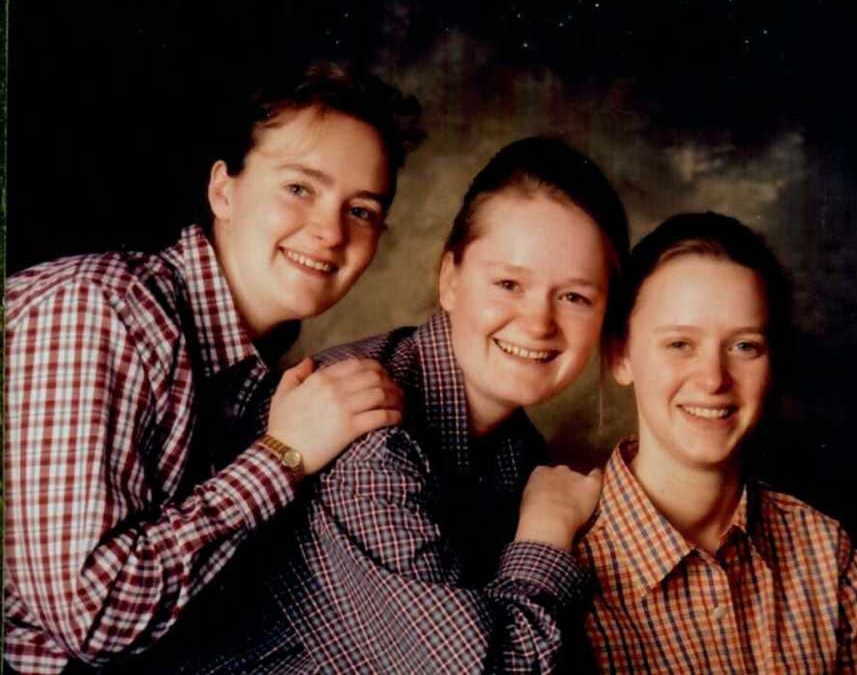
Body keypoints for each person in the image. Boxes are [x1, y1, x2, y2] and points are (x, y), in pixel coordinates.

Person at [148, 136, 630, 674]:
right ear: (450, 280)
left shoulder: (514, 448)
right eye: (508, 283)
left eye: (575, 297)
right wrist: (546, 532)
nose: (539, 322)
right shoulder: (367, 439)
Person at [4, 61, 423, 675]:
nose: (330, 232)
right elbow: (92, 616)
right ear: (223, 190)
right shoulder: (105, 311)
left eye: (360, 209)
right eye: (299, 188)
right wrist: (283, 455)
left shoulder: (247, 372)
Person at [576, 212, 857, 672]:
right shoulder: (562, 575)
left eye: (744, 346)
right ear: (620, 356)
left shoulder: (824, 550)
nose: (714, 379)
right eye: (680, 344)